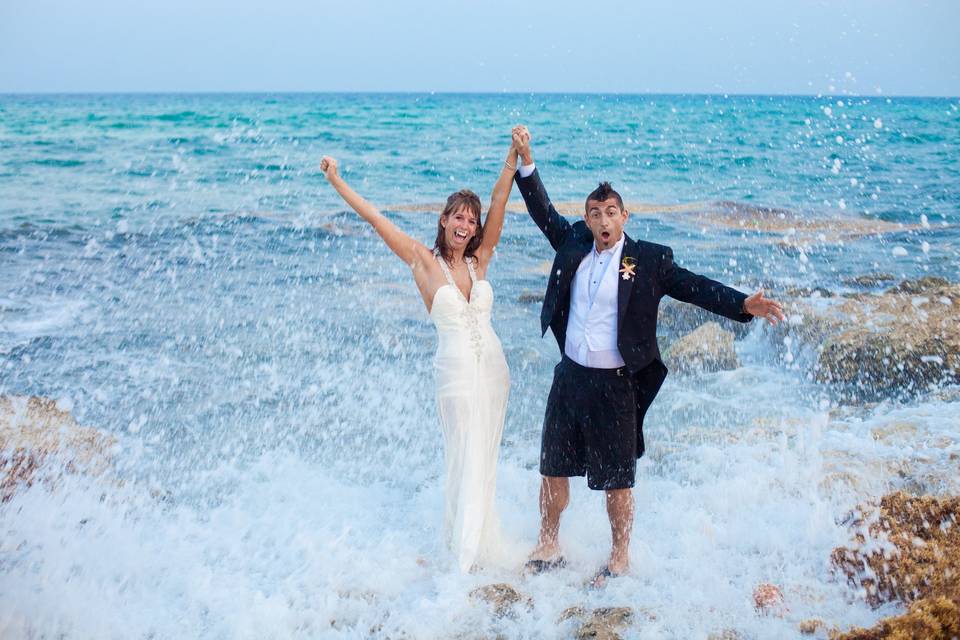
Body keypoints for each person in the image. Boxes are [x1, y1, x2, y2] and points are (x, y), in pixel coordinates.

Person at [510, 125, 785, 588]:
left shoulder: (649, 260)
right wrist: (525, 159)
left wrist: (742, 304)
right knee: (553, 466)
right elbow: (543, 213)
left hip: (617, 383)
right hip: (570, 378)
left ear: (625, 217)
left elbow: (694, 286)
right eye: (594, 213)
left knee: (619, 479)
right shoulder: (573, 241)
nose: (602, 220)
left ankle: (619, 556)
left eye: (610, 212)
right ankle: (548, 542)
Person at [319, 136, 519, 572]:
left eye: (472, 219)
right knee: (463, 457)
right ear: (444, 220)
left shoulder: (479, 261)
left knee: (482, 459)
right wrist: (337, 180)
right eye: (458, 217)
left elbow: (501, 206)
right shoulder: (421, 261)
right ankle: (461, 563)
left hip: (493, 372)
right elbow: (375, 218)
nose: (466, 225)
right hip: (455, 374)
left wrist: (511, 159)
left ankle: (475, 549)